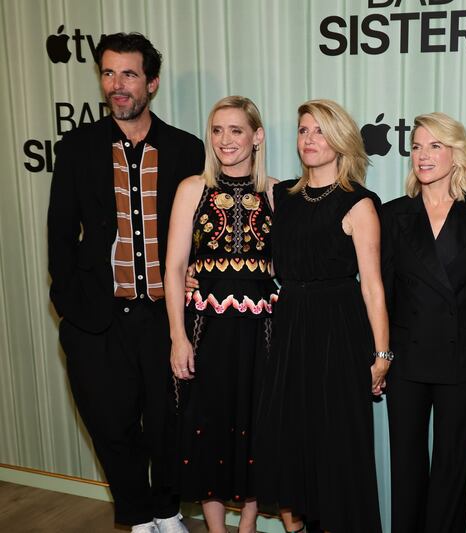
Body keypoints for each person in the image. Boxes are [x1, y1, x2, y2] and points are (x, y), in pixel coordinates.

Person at [47, 32, 204, 533]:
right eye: (109, 73)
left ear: (151, 83)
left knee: (168, 426)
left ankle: (167, 510)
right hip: (98, 318)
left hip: (165, 317)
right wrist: (69, 301)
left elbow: (200, 230)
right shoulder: (77, 148)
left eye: (130, 74)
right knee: (110, 426)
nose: (118, 84)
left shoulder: (186, 149)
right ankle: (137, 516)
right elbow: (59, 231)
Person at [254, 99, 389, 533]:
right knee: (290, 439)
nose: (310, 139)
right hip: (290, 326)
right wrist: (196, 273)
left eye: (320, 131)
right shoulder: (280, 196)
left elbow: (372, 286)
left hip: (338, 330)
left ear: (342, 140)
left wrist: (383, 354)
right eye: (303, 130)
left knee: (336, 445)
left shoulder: (359, 203)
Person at [380, 112, 466, 533]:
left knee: (454, 467)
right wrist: (379, 354)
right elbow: (382, 292)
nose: (423, 155)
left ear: (456, 153)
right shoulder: (393, 214)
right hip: (408, 355)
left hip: (462, 357)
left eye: (435, 146)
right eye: (416, 146)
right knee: (407, 466)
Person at [164, 96, 278, 533]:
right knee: (205, 427)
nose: (225, 140)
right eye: (217, 130)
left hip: (261, 331)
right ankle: (216, 529)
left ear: (256, 136)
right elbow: (173, 267)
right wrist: (178, 335)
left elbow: (295, 265)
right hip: (204, 329)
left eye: (236, 130)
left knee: (256, 424)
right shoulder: (192, 188)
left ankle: (247, 524)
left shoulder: (274, 191)